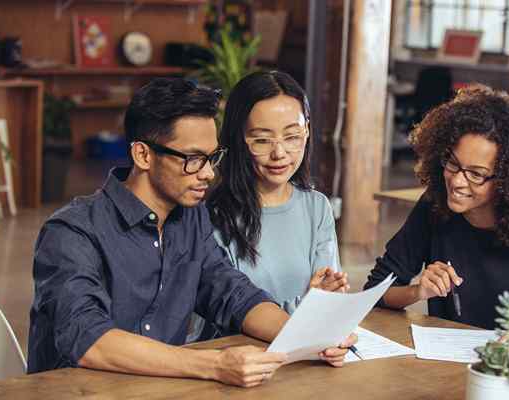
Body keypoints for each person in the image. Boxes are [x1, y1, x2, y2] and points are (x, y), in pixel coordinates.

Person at [28, 77, 355, 387]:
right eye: (194, 159)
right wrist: (214, 365)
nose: (209, 174)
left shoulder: (190, 220)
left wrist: (311, 338)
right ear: (143, 155)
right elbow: (88, 339)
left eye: (212, 157)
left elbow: (234, 295)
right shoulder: (71, 232)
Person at [365, 85, 509, 352]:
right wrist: (418, 291)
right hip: (442, 370)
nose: (457, 181)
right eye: (453, 164)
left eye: (476, 174)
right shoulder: (434, 207)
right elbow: (375, 291)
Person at [189, 70, 347, 341]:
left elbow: (327, 299)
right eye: (262, 139)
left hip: (307, 354)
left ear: (306, 132)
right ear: (238, 139)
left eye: (292, 136)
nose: (279, 153)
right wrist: (305, 310)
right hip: (241, 358)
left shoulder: (317, 207)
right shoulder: (211, 218)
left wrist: (325, 303)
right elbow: (224, 316)